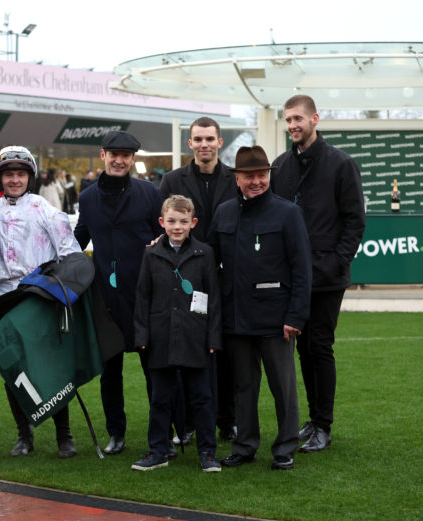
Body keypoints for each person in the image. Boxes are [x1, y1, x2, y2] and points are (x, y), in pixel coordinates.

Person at [207, 145, 311, 471]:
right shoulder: (223, 213)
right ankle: (245, 446)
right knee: (243, 388)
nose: (256, 182)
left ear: (268, 176)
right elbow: (207, 260)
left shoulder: (287, 213)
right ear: (237, 178)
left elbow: (302, 269)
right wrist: (167, 244)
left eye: (261, 175)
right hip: (236, 318)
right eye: (249, 176)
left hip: (276, 319)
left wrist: (295, 316)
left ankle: (285, 448)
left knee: (283, 387)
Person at [271, 94, 366, 453]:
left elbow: (355, 221)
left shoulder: (341, 164)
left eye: (299, 118)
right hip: (292, 278)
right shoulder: (281, 166)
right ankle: (312, 420)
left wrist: (335, 262)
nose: (293, 125)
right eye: (288, 119)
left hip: (327, 277)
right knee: (302, 350)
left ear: (315, 119)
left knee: (319, 347)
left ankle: (323, 425)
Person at [0, 145, 81, 458]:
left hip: (39, 297)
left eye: (20, 174)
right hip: (5, 299)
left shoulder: (47, 211)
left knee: (52, 368)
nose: (14, 180)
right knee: (15, 370)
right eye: (8, 174)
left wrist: (55, 287)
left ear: (30, 177)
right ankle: (24, 435)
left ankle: (64, 436)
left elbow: (70, 254)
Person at [74, 130, 163, 456]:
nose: (119, 160)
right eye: (114, 154)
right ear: (103, 155)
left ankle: (162, 431)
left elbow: (163, 239)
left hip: (143, 297)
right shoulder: (87, 197)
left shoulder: (150, 193)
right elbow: (77, 240)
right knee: (110, 373)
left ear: (132, 159)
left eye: (126, 155)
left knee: (154, 370)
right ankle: (116, 433)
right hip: (105, 302)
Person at [160, 116, 239, 443]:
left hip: (226, 277)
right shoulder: (171, 180)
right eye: (198, 139)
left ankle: (227, 420)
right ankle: (186, 424)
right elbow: (163, 228)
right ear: (190, 143)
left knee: (226, 354)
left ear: (219, 142)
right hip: (186, 280)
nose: (204, 144)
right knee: (185, 352)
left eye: (210, 139)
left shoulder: (235, 180)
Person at [132, 195, 222, 472]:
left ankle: (207, 452)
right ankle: (158, 450)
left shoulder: (204, 253)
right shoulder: (151, 253)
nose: (177, 226)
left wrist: (213, 337)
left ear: (193, 223)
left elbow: (214, 298)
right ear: (162, 222)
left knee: (202, 398)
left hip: (196, 337)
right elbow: (142, 298)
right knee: (160, 398)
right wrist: (142, 336)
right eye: (171, 221)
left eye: (183, 221)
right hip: (160, 337)